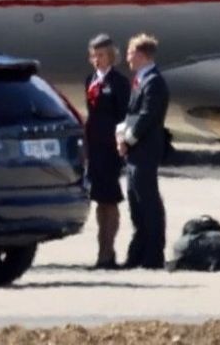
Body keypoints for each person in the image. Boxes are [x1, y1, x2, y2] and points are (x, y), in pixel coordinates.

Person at [116, 33, 170, 270]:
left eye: (129, 53)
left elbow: (148, 116)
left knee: (148, 202)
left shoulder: (154, 82)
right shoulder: (140, 79)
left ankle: (153, 255)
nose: (127, 58)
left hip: (145, 149)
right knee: (136, 203)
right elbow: (131, 113)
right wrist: (121, 134)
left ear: (140, 54)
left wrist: (128, 139)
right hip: (134, 150)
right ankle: (137, 253)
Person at [83, 34, 130, 269]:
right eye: (94, 55)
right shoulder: (90, 80)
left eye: (101, 55)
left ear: (111, 56)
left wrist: (121, 143)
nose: (97, 60)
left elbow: (124, 116)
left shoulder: (119, 82)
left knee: (110, 199)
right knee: (99, 199)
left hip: (110, 148)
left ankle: (108, 252)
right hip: (94, 148)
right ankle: (101, 250)